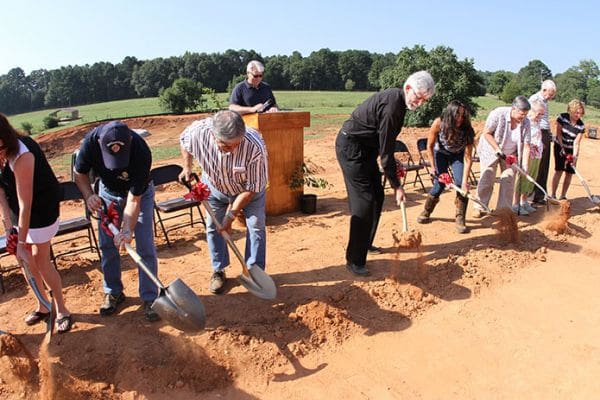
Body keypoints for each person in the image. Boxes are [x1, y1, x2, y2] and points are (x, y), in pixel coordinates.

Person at [336, 71, 435, 276]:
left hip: (367, 150)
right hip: (352, 149)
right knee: (363, 203)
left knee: (377, 197)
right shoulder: (392, 108)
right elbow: (386, 154)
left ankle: (365, 244)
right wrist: (397, 186)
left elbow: (385, 146)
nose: (420, 103)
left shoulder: (399, 102)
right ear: (408, 89)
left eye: (424, 100)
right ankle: (354, 259)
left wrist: (391, 164)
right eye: (418, 97)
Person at [73, 121, 160, 322]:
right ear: (100, 144)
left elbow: (133, 199)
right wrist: (88, 196)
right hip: (107, 194)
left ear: (129, 141)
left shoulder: (141, 150)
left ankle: (150, 297)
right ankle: (113, 291)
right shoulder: (90, 143)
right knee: (107, 245)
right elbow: (80, 173)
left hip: (139, 194)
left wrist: (127, 230)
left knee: (145, 245)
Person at [179, 110, 268, 294]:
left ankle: (254, 271)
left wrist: (231, 214)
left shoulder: (255, 147)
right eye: (227, 146)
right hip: (214, 187)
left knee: (256, 226)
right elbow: (184, 140)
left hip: (247, 190)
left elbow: (252, 188)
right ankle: (219, 270)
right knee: (213, 226)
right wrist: (187, 167)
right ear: (213, 134)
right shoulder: (198, 133)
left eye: (237, 144)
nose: (233, 150)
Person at [0, 113, 72, 333]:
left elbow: (26, 205)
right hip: (16, 207)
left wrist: (21, 243)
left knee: (40, 260)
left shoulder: (23, 155)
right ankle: (43, 305)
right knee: (26, 263)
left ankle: (62, 309)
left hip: (40, 208)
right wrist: (7, 224)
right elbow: (1, 189)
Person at [417, 100, 475, 233]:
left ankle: (460, 218)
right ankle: (426, 211)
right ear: (450, 114)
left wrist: (466, 182)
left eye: (462, 115)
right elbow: (429, 147)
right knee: (440, 184)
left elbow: (467, 157)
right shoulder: (439, 123)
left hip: (458, 155)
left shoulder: (467, 130)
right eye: (457, 115)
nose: (460, 118)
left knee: (461, 185)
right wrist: (433, 168)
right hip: (440, 154)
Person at [474, 96, 531, 217]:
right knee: (488, 175)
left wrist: (525, 166)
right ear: (514, 109)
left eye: (526, 114)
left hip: (511, 155)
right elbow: (487, 133)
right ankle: (480, 206)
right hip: (491, 149)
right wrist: (497, 148)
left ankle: (503, 209)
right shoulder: (498, 114)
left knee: (508, 177)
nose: (524, 117)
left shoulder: (526, 122)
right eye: (522, 114)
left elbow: (526, 145)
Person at [512, 100, 546, 215]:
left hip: (537, 155)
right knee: (522, 179)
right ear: (533, 112)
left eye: (542, 114)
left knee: (531, 179)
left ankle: (524, 201)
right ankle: (515, 204)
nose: (540, 116)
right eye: (539, 113)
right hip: (527, 155)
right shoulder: (526, 123)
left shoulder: (537, 123)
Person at [550, 99, 586, 200]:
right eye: (576, 112)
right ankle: (553, 194)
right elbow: (559, 134)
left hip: (571, 149)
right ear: (571, 110)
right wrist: (561, 147)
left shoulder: (581, 126)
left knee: (569, 172)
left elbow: (576, 143)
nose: (578, 115)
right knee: (559, 170)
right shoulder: (562, 117)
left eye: (580, 113)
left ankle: (563, 195)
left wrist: (574, 157)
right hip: (560, 146)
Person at [529, 80, 557, 205]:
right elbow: (530, 117)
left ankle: (540, 194)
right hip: (536, 133)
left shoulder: (545, 101)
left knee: (544, 165)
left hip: (545, 133)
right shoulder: (535, 99)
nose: (551, 97)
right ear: (544, 89)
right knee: (535, 164)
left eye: (552, 95)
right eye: (550, 94)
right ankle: (530, 194)